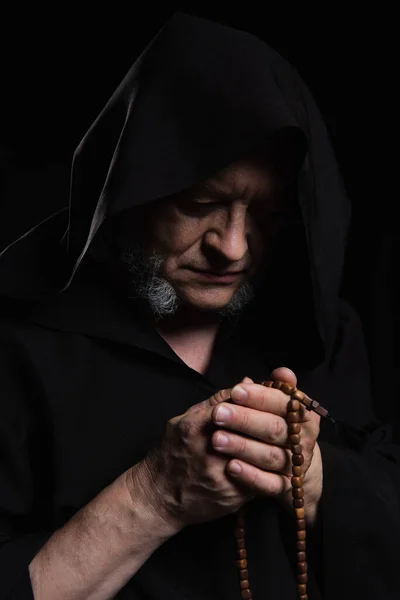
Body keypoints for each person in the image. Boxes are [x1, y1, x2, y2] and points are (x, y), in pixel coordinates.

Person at [0, 12, 399, 600]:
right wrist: (154, 494)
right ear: (132, 192)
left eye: (264, 215)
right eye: (198, 205)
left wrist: (310, 480)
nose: (231, 248)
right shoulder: (17, 341)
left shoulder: (321, 328)